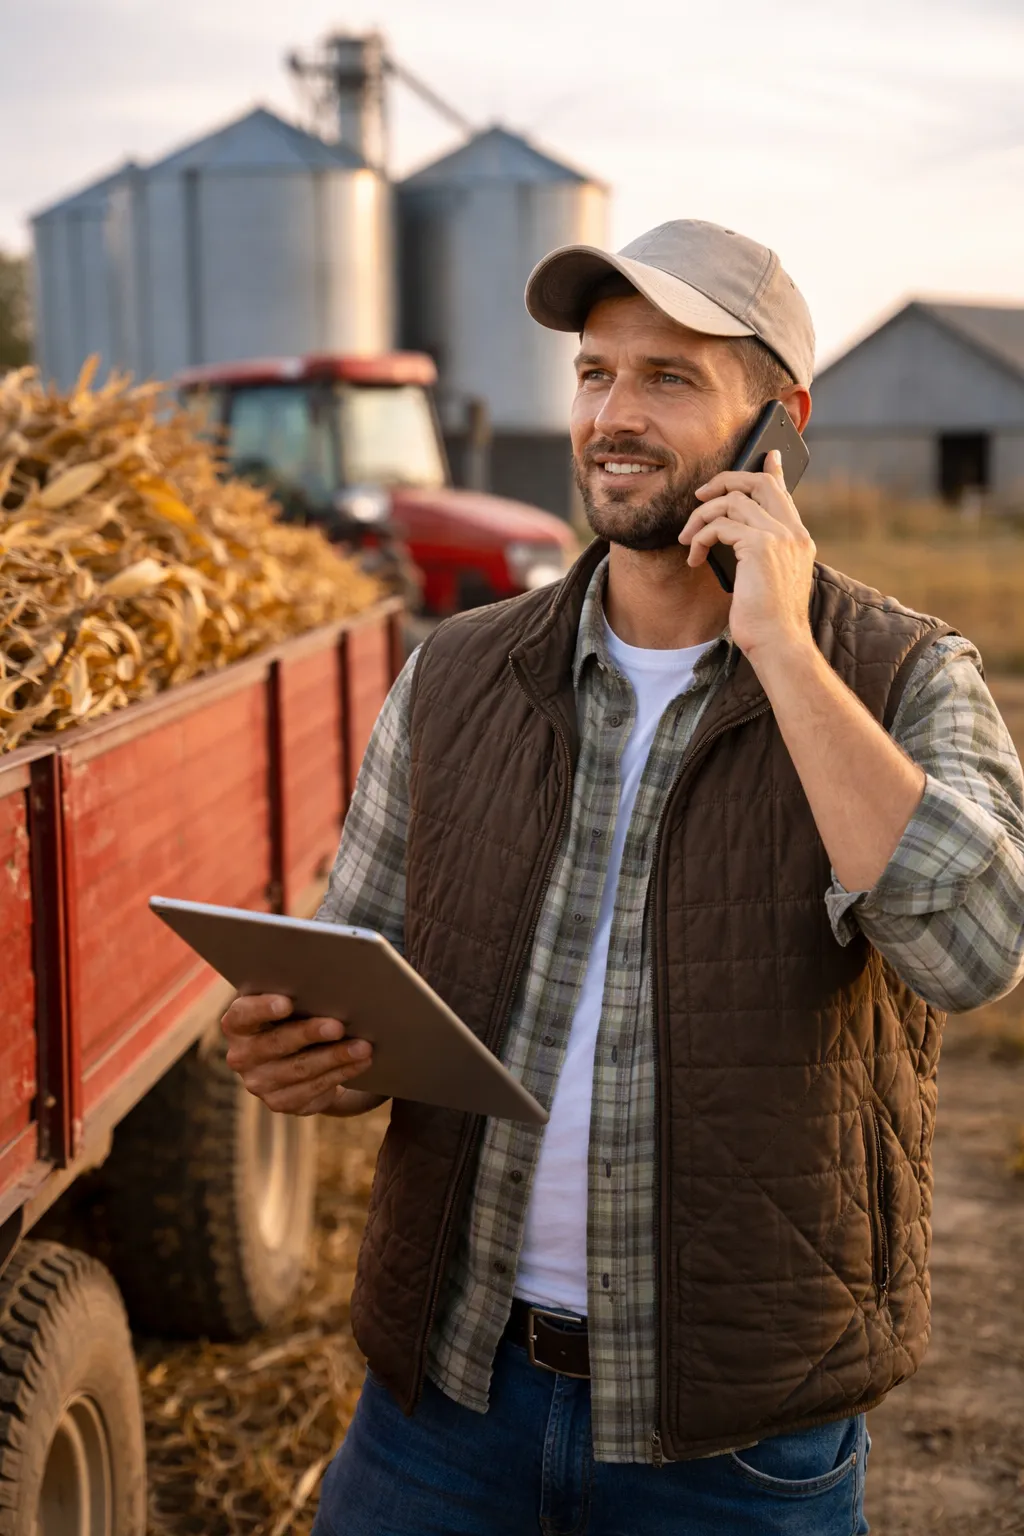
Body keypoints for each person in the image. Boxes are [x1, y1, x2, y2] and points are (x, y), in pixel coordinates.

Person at [221, 219, 1024, 1536]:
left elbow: (980, 950)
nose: (613, 415)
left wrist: (783, 648)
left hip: (735, 1447)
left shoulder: (900, 674)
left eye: (669, 378)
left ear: (781, 422)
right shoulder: (458, 669)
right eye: (597, 374)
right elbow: (360, 967)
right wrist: (307, 1056)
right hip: (443, 1408)